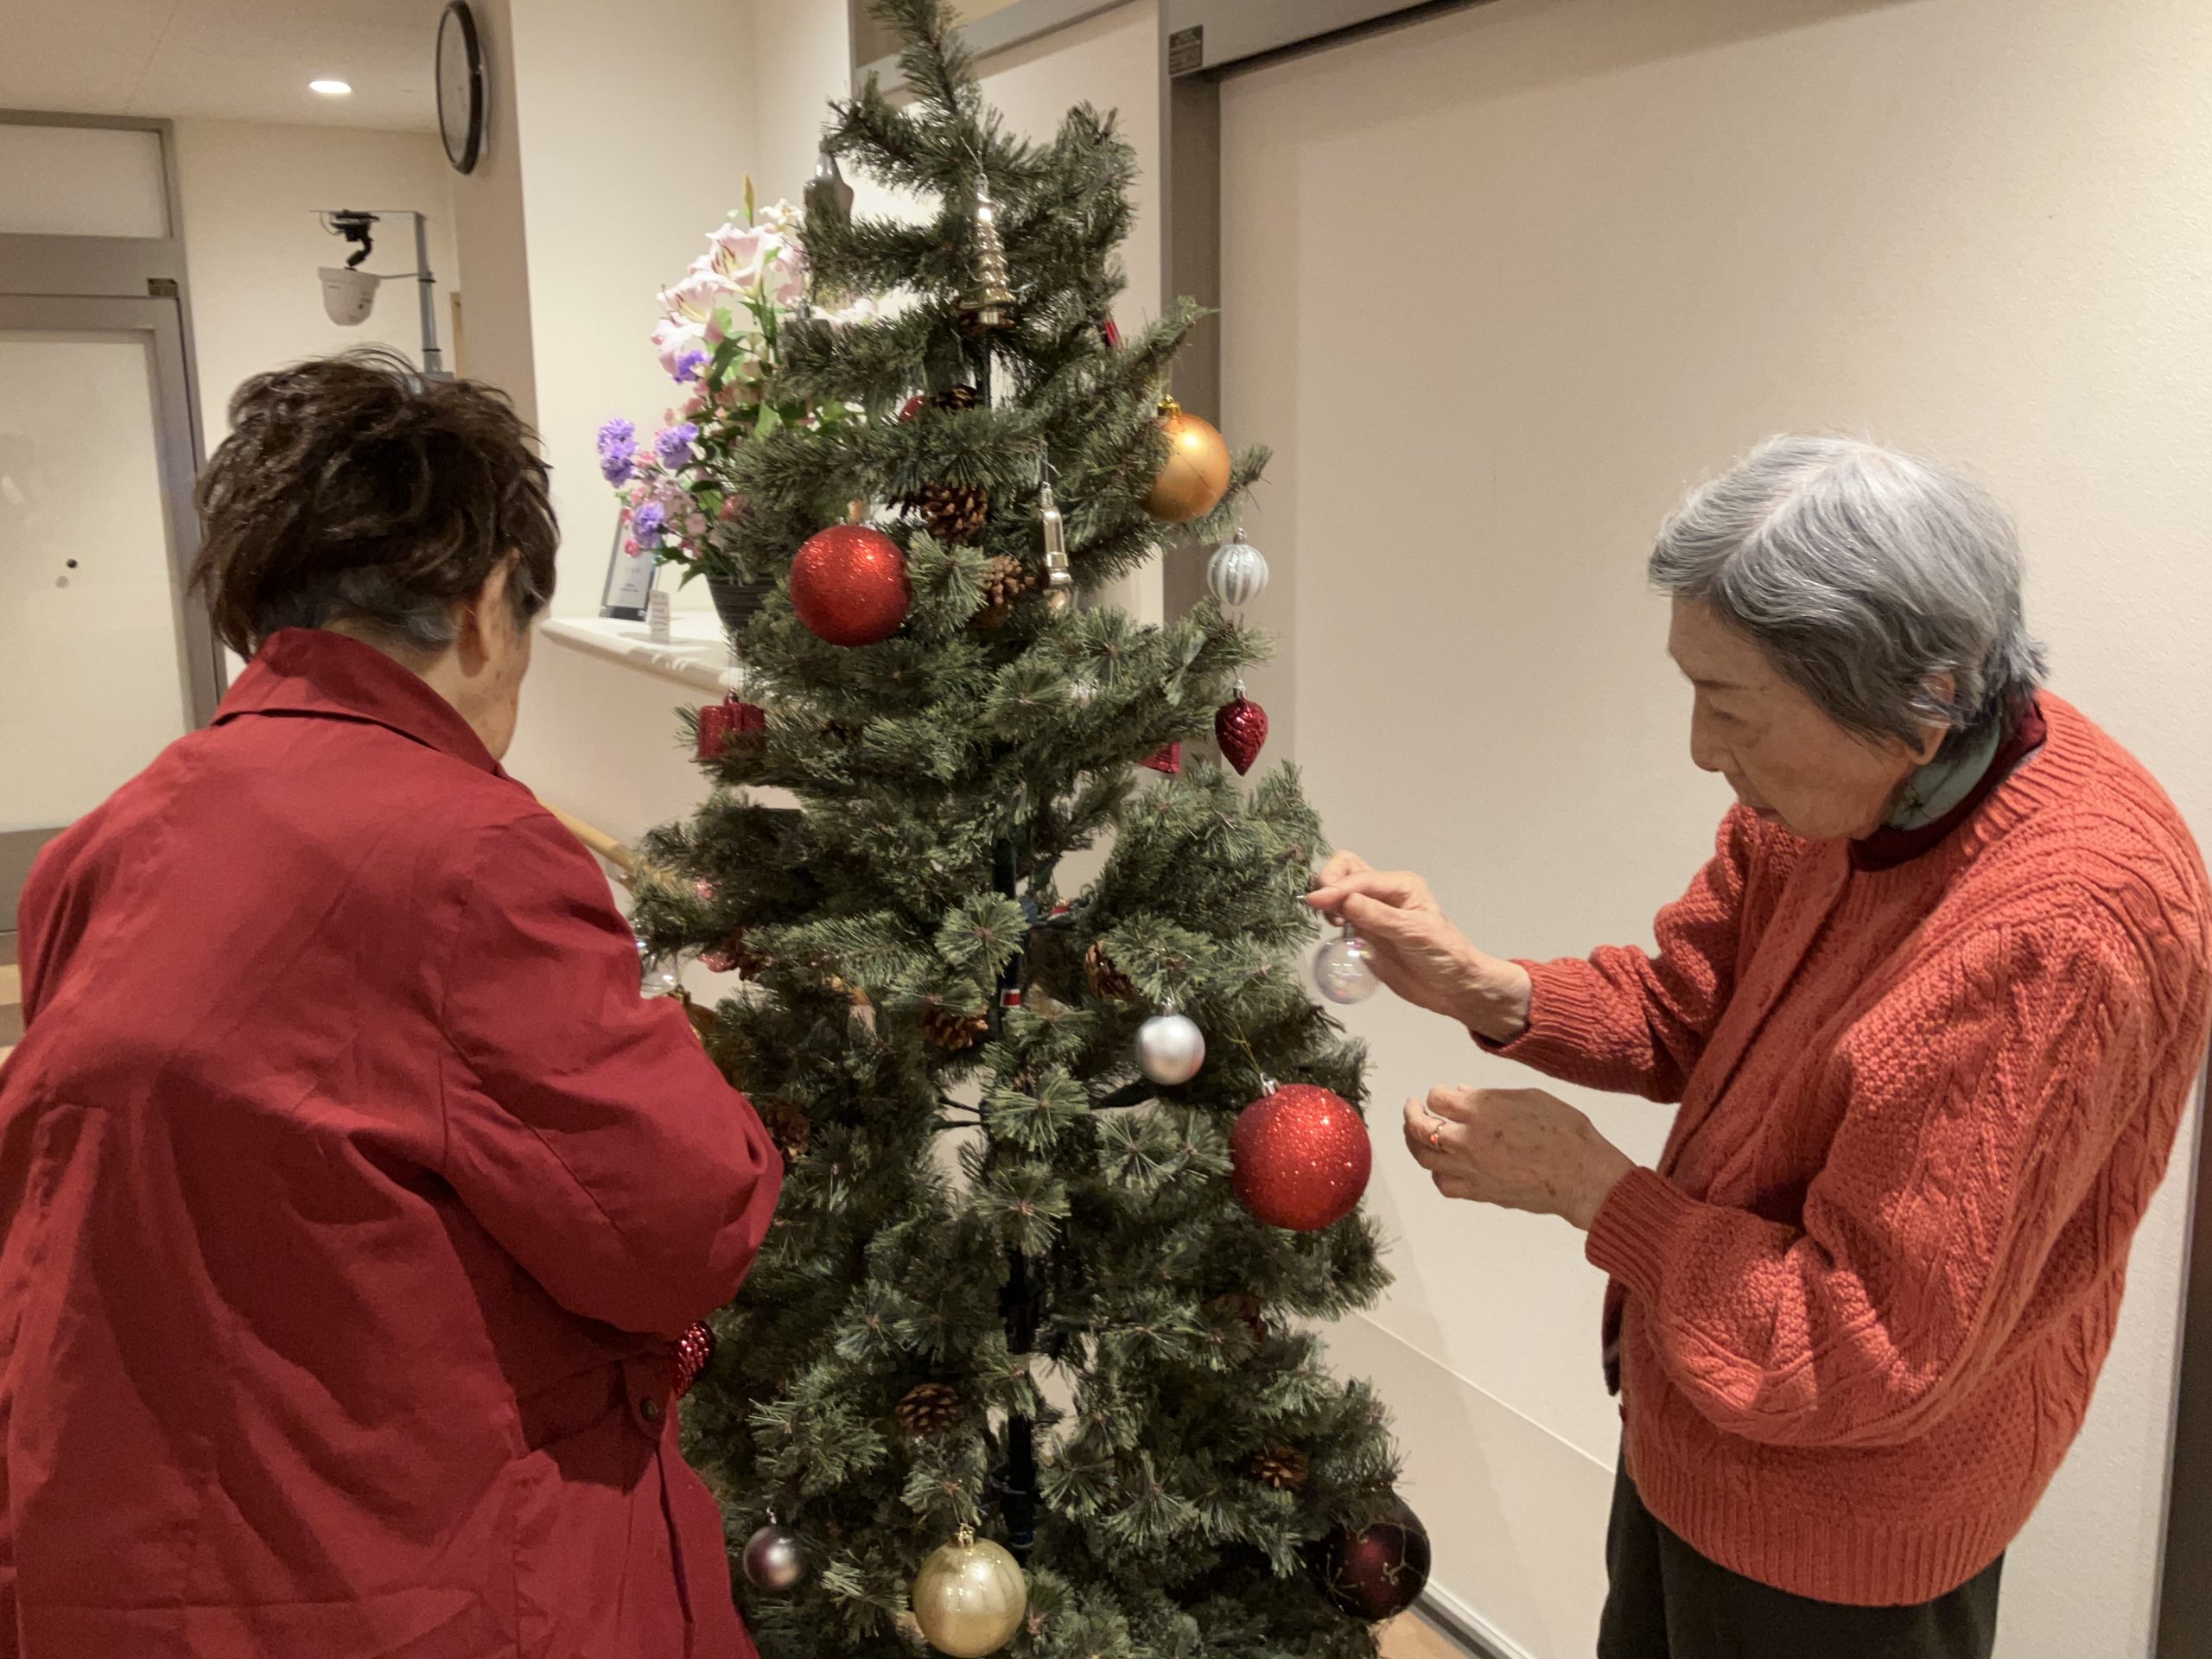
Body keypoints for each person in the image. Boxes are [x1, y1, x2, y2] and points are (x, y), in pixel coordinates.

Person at [1309, 436, 2212, 1659]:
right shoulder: (1837, 798)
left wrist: (1596, 1192)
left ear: (1928, 693)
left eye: (1731, 705)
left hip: (1845, 1541)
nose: (1698, 749)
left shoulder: (2056, 939)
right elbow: (1693, 1009)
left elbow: (1866, 1352)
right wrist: (1488, 985)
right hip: (1698, 1414)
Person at [0, 351, 782, 1658]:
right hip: (399, 1570)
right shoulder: (472, 853)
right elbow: (682, 1227)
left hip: (121, 1547)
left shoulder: (104, 842)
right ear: (486, 610)